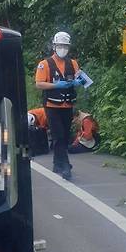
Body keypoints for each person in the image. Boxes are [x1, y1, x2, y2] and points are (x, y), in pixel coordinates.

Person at [35, 31, 83, 180]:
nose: (62, 48)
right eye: (60, 45)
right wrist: (56, 86)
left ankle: (57, 162)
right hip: (52, 106)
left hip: (67, 105)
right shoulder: (45, 64)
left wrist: (78, 82)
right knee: (58, 135)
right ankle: (65, 166)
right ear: (54, 46)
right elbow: (39, 84)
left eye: (65, 46)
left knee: (64, 135)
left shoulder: (73, 63)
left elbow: (79, 78)